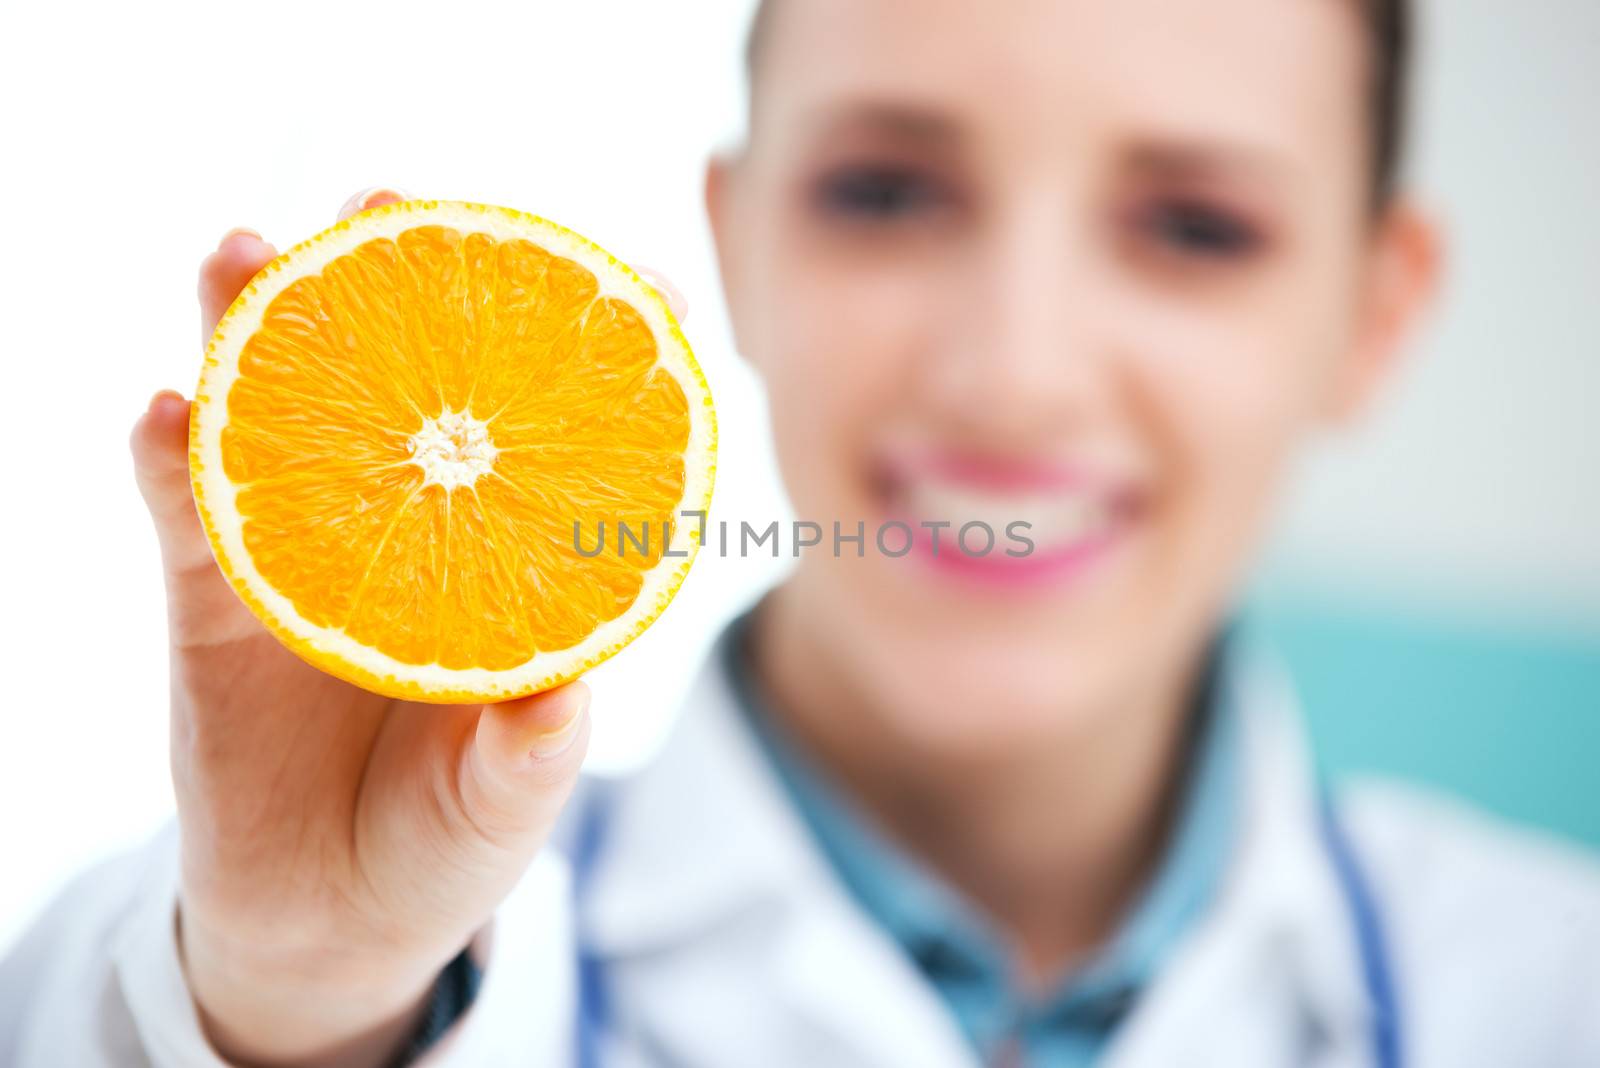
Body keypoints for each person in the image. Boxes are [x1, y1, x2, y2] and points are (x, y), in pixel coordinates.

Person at [4, 0, 1599, 1065]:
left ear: (1374, 318)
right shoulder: (315, 980)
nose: (1013, 368)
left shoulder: (1544, 985)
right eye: (888, 193)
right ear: (736, 242)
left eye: (1196, 228)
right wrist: (288, 1007)